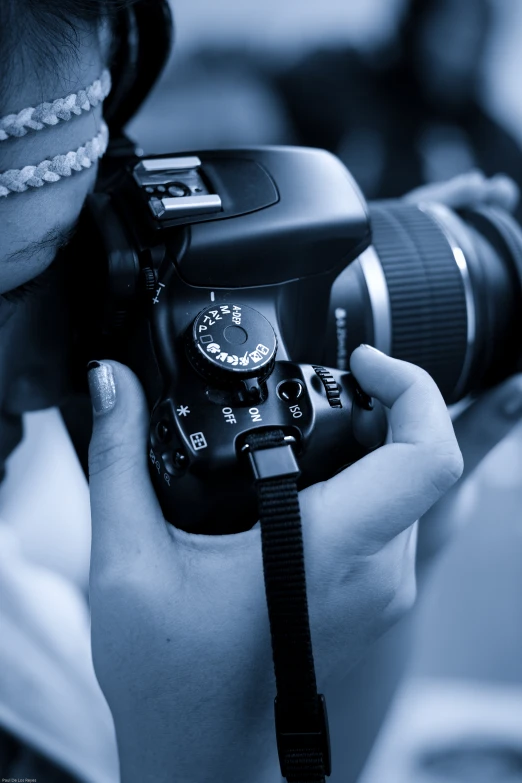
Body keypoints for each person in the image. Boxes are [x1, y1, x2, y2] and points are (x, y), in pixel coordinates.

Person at [0, 1, 518, 781]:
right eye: (27, 278)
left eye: (89, 250)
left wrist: (407, 529)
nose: (62, 363)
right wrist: (193, 759)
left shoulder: (33, 597)